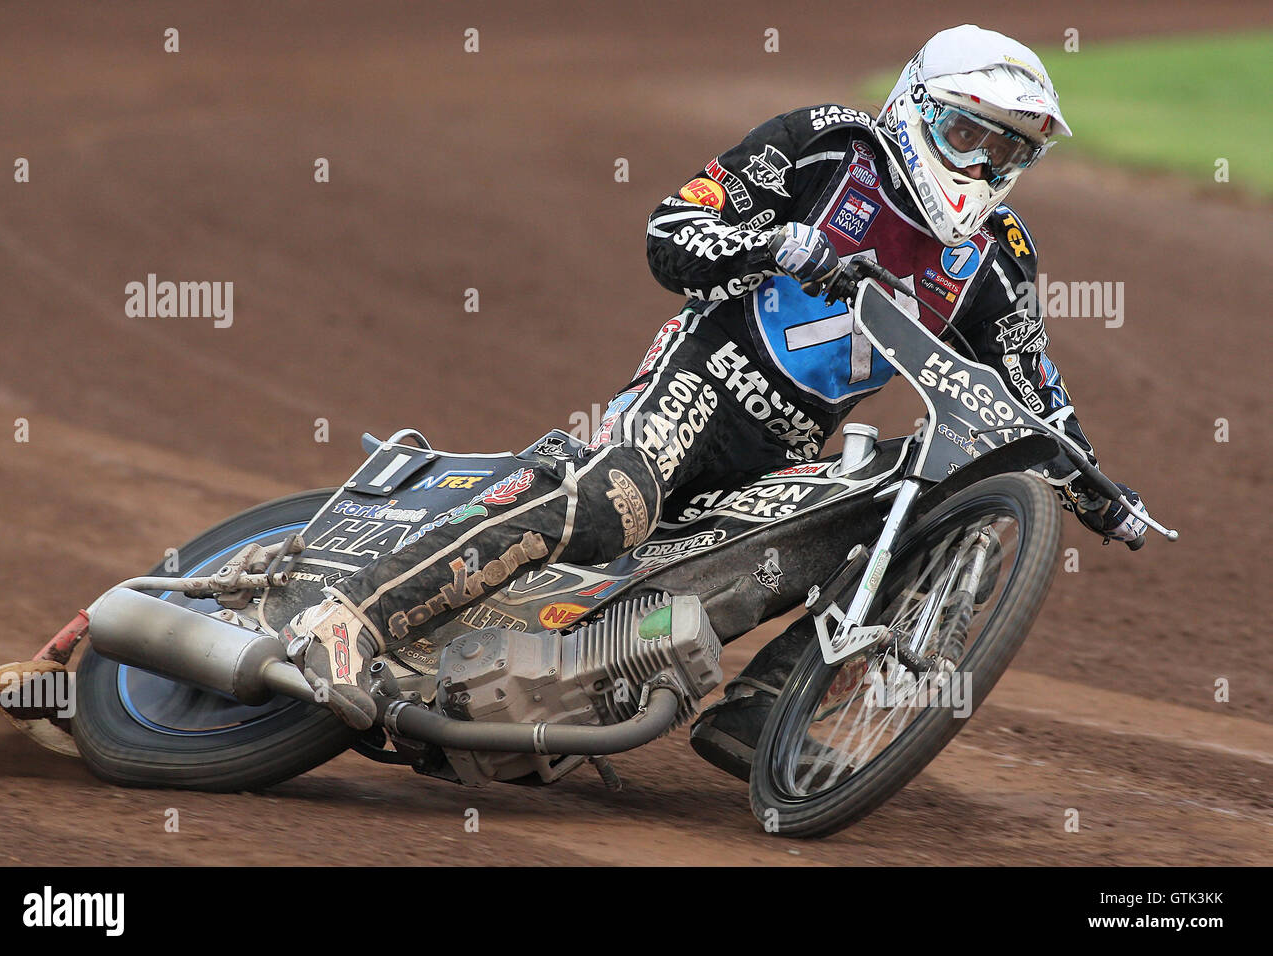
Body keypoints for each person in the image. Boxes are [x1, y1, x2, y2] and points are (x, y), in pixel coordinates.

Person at [282, 24, 1149, 780]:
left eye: (1009, 152)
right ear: (915, 107)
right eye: (969, 136)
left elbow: (1029, 392)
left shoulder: (1000, 258)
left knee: (889, 512)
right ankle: (353, 614)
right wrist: (783, 245)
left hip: (792, 444)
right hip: (702, 378)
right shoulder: (823, 144)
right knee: (612, 499)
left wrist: (1098, 490)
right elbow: (672, 231)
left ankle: (765, 711)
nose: (985, 167)